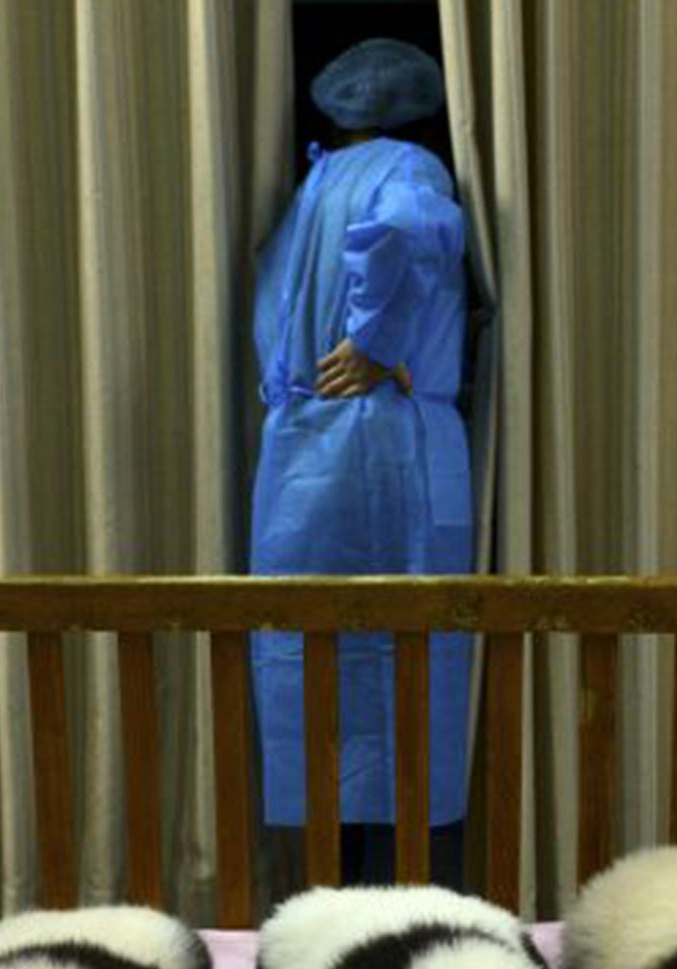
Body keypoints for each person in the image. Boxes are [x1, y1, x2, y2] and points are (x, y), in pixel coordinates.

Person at [250, 38, 472, 888]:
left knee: (313, 663)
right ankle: (398, 894)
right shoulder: (410, 167)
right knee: (403, 661)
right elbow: (416, 230)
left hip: (301, 449)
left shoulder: (313, 188)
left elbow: (270, 298)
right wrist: (379, 340)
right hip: (385, 448)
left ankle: (324, 896)